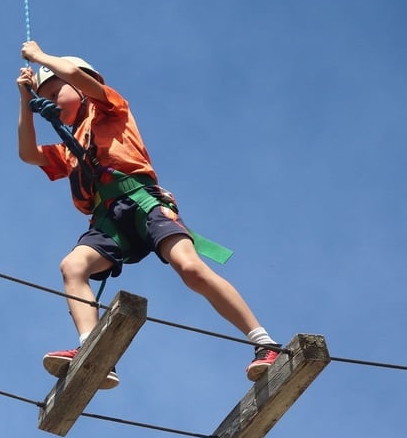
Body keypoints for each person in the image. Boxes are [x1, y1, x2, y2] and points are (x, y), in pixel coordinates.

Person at [16, 40, 281, 389]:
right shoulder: (69, 147)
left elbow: (77, 77)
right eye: (44, 97)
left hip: (141, 203)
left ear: (80, 86)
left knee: (190, 268)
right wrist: (25, 99)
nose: (47, 101)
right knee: (72, 266)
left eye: (54, 91)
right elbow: (27, 154)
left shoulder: (110, 107)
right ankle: (91, 349)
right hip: (107, 220)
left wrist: (40, 58)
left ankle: (264, 343)